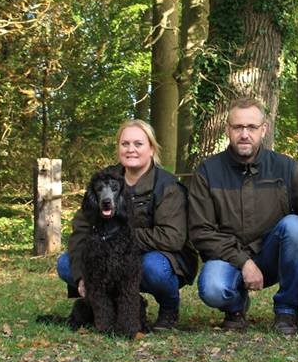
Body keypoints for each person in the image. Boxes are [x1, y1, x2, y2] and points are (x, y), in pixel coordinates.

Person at [188, 97, 298, 336]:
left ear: (263, 129)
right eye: (238, 127)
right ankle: (235, 308)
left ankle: (286, 310)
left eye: (252, 127)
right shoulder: (207, 172)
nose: (245, 134)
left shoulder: (286, 168)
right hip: (228, 258)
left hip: (271, 254)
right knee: (213, 287)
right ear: (228, 130)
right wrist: (243, 261)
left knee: (295, 225)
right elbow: (201, 231)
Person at [57, 119, 197, 332]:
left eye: (138, 144)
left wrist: (121, 238)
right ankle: (110, 307)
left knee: (152, 267)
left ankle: (169, 309)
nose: (131, 149)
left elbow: (172, 237)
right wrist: (81, 276)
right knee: (67, 263)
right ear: (118, 148)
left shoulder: (167, 185)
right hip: (111, 253)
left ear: (151, 149)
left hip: (160, 255)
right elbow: (81, 230)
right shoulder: (104, 180)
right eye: (125, 144)